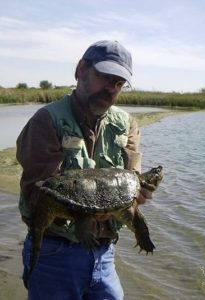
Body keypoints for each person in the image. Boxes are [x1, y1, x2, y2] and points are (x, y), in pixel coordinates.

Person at [16, 40, 153, 300]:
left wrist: (139, 193)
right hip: (55, 251)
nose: (111, 88)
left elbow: (133, 179)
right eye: (104, 77)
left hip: (105, 253)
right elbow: (39, 195)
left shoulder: (127, 124)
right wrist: (89, 209)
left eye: (119, 83)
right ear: (81, 70)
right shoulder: (47, 120)